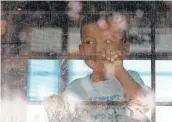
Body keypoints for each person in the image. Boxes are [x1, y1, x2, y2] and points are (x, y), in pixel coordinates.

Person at [43, 12, 153, 122]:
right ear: (81, 50)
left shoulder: (129, 78)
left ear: (125, 49)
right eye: (89, 42)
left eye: (108, 41)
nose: (99, 49)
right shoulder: (75, 88)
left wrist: (118, 70)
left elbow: (144, 103)